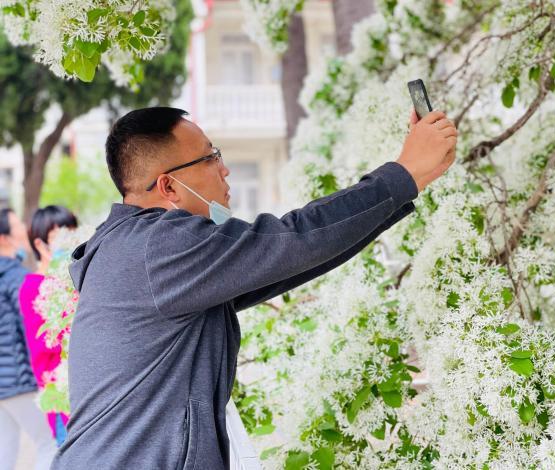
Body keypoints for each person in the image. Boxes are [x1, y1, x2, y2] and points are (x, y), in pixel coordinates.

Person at [50, 106, 457, 470]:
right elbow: (295, 238)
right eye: (210, 157)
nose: (224, 169)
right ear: (169, 188)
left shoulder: (137, 252)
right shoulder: (160, 248)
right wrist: (402, 174)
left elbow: (292, 259)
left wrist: (410, 180)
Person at [0, 207, 57, 470]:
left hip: (4, 383)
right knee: (48, 443)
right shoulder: (15, 277)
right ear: (4, 238)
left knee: (5, 448)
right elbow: (30, 326)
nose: (24, 229)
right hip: (19, 380)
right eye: (18, 226)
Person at [19, 205, 79, 447]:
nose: (68, 241)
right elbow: (45, 347)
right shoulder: (34, 287)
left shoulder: (74, 278)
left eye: (71, 232)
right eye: (58, 237)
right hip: (63, 402)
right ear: (40, 245)